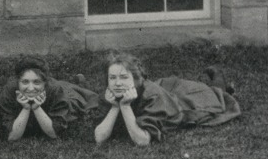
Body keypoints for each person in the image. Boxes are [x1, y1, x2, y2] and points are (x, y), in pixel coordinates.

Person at [93, 52, 241, 146]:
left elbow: (142, 140)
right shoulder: (110, 94)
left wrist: (125, 107)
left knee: (214, 96)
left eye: (124, 77)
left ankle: (218, 78)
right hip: (168, 91)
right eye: (112, 78)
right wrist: (115, 106)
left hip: (179, 105)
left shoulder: (151, 95)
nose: (117, 83)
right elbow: (99, 138)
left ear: (136, 80)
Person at [0, 56, 99, 141]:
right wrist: (26, 108)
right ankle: (77, 82)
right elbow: (12, 137)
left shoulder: (55, 90)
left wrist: (37, 108)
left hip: (66, 94)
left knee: (79, 95)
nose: (31, 88)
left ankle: (80, 84)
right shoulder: (9, 91)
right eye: (25, 82)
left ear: (45, 82)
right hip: (54, 86)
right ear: (18, 81)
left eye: (37, 82)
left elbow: (53, 134)